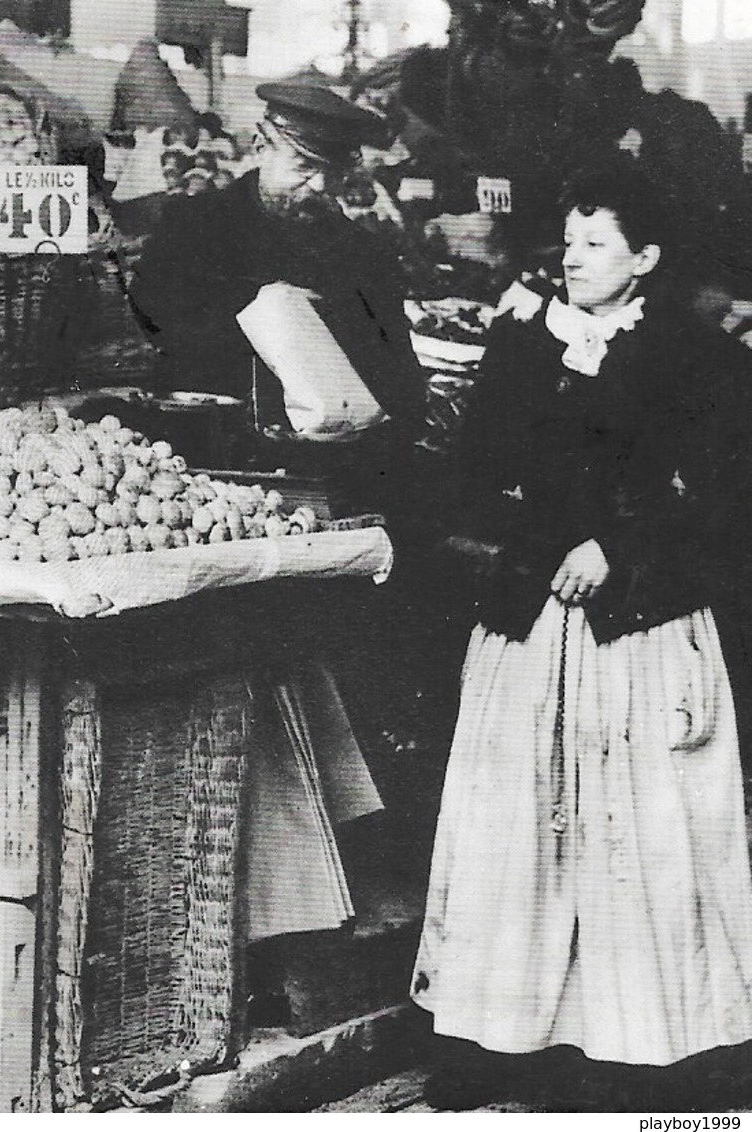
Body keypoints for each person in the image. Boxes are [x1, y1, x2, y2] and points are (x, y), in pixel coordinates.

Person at [414, 166, 752, 1108]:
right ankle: (493, 1040)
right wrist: (523, 540)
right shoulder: (524, 343)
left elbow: (727, 497)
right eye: (568, 241)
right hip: (531, 621)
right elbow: (474, 469)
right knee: (511, 828)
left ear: (645, 260)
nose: (573, 258)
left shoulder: (700, 357)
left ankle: (627, 1050)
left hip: (635, 635)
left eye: (596, 243)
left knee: (633, 832)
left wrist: (621, 548)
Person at [124, 79, 426, 460]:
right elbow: (156, 321)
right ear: (261, 147)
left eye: (332, 174)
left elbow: (403, 381)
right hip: (210, 451)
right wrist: (268, 315)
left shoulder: (363, 256)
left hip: (324, 459)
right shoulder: (194, 226)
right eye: (304, 166)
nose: (319, 185)